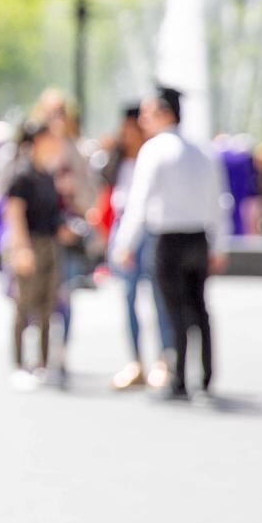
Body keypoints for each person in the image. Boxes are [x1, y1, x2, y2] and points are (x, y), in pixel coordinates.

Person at [111, 87, 228, 401]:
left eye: (149, 114)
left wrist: (124, 244)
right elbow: (218, 203)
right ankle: (204, 375)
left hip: (169, 238)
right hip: (198, 237)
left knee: (174, 309)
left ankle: (178, 378)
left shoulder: (155, 150)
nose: (144, 121)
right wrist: (218, 245)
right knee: (199, 309)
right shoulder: (203, 151)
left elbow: (139, 202)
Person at [106, 104, 174, 392]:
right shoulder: (118, 160)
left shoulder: (156, 153)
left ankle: (163, 360)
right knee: (129, 296)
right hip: (123, 226)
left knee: (159, 296)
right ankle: (136, 361)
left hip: (147, 229)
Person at [3, 121, 70, 388]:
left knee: (47, 307)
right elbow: (14, 213)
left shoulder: (47, 174)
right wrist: (21, 249)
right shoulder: (22, 174)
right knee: (24, 305)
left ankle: (42, 363)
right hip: (29, 243)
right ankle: (19, 364)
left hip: (49, 244)